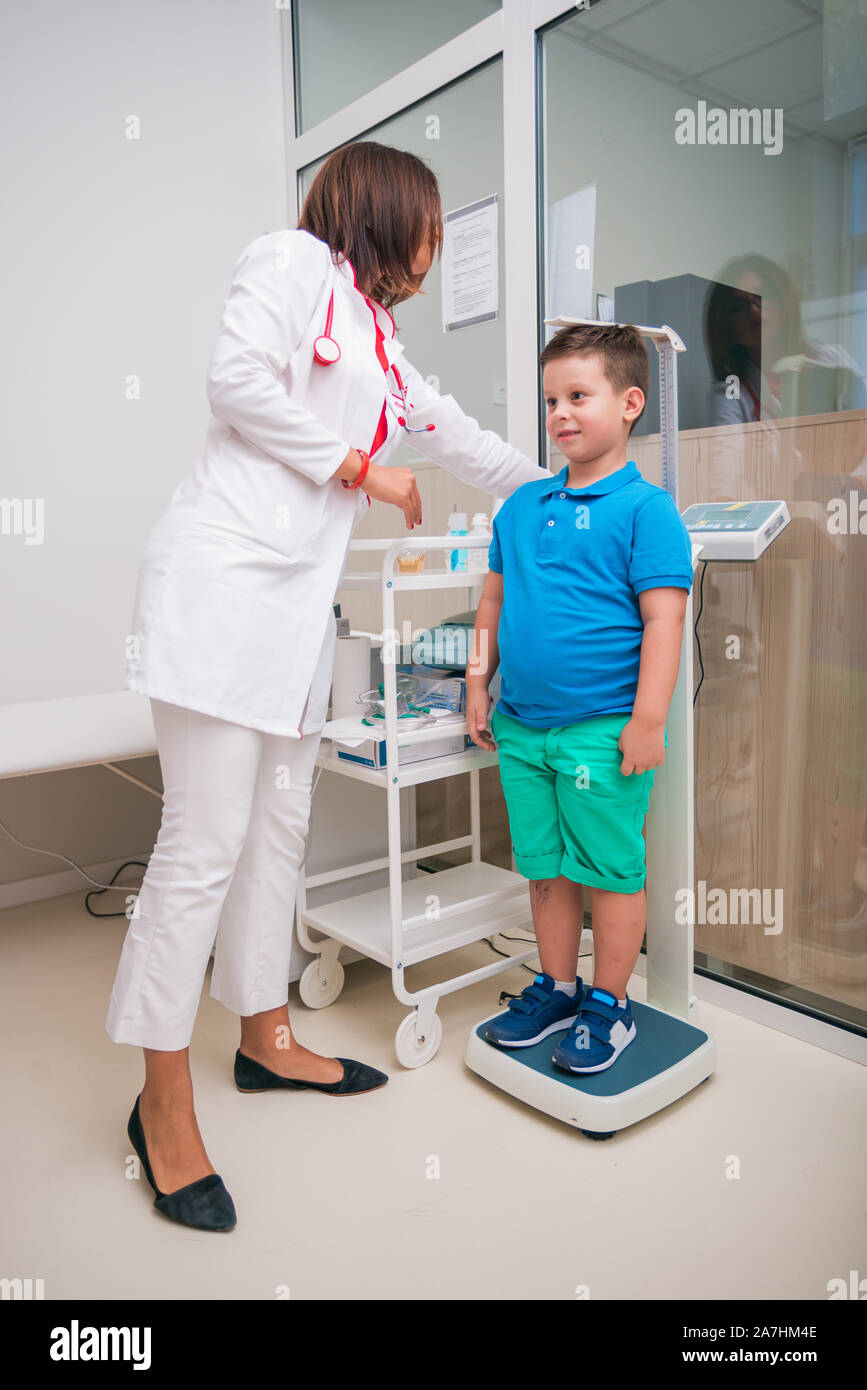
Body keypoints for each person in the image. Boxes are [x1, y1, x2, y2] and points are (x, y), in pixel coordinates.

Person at [106, 141, 552, 1232]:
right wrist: (361, 469)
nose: (438, 249)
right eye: (432, 226)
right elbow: (236, 381)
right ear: (387, 210)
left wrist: (577, 494)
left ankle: (264, 1035)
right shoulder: (291, 261)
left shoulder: (383, 344)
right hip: (222, 589)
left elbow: (463, 438)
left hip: (294, 616)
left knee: (280, 828)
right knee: (204, 840)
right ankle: (161, 1103)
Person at [465, 323, 694, 1072]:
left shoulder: (645, 509)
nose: (560, 413)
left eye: (578, 396)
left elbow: (665, 619)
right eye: (550, 400)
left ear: (631, 403)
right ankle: (558, 986)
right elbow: (491, 605)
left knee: (608, 870)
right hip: (522, 729)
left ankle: (610, 1003)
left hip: (601, 731)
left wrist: (649, 721)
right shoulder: (520, 507)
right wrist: (476, 681)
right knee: (545, 867)